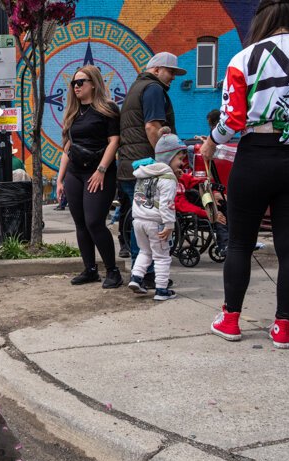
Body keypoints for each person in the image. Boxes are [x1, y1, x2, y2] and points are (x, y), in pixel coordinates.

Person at [201, 0, 289, 348]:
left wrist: (211, 142)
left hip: (256, 154)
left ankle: (230, 320)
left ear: (262, 18)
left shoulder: (243, 58)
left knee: (240, 242)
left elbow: (232, 119)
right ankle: (283, 326)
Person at [118, 52, 186, 288]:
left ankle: (140, 274)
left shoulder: (136, 88)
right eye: (171, 71)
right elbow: (152, 127)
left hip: (131, 165)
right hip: (147, 166)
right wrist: (165, 164)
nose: (173, 77)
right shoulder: (153, 89)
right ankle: (147, 275)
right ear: (156, 70)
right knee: (150, 224)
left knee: (140, 221)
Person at [56, 65, 123, 288]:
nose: (76, 86)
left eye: (80, 82)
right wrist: (60, 179)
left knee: (94, 221)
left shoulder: (108, 109)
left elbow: (114, 141)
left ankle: (113, 271)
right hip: (75, 173)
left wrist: (101, 170)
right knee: (81, 223)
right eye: (73, 83)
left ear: (93, 83)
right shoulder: (73, 113)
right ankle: (90, 270)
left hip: (100, 172)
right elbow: (67, 148)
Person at [127, 128, 184, 300]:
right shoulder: (167, 178)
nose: (182, 163)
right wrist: (169, 225)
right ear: (169, 157)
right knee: (162, 257)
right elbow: (167, 205)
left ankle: (136, 278)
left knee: (145, 251)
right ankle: (161, 290)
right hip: (156, 223)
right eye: (179, 158)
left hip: (138, 221)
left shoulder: (145, 172)